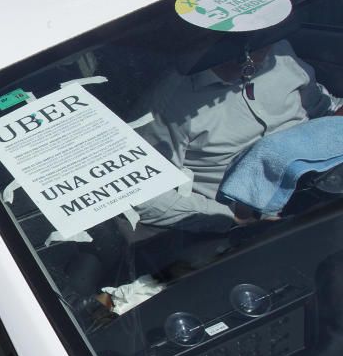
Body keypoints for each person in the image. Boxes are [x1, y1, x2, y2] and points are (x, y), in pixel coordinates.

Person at [137, 34, 343, 232]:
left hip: (330, 181)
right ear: (239, 47)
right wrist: (230, 218)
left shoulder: (279, 52)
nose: (270, 44)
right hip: (267, 225)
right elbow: (143, 194)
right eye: (260, 38)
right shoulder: (168, 106)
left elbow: (323, 108)